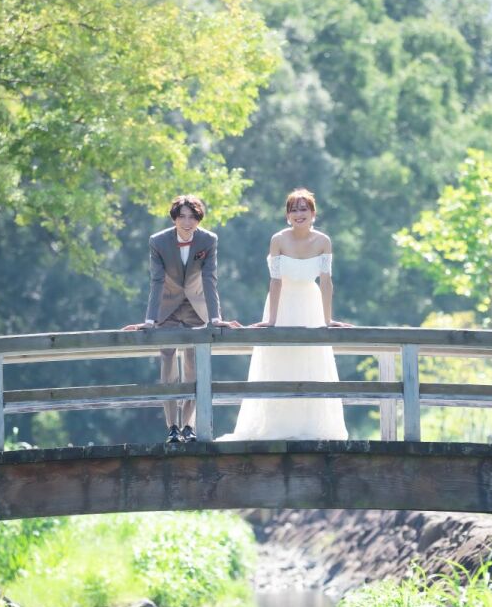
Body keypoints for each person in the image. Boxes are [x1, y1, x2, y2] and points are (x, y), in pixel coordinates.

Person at [219, 188, 349, 441]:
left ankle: (311, 426)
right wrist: (271, 320)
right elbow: (275, 282)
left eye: (304, 209)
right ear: (287, 215)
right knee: (279, 359)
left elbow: (326, 282)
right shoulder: (278, 239)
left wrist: (327, 319)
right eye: (293, 209)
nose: (299, 214)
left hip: (310, 303)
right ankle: (276, 426)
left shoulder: (323, 241)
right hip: (282, 302)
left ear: (313, 213)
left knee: (310, 360)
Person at [124, 195, 239, 444]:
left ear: (199, 219)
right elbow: (156, 281)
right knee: (167, 361)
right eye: (182, 216)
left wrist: (215, 317)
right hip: (167, 307)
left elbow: (210, 278)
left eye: (192, 217)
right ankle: (172, 427)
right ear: (174, 218)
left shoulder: (208, 240)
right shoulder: (158, 242)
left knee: (192, 366)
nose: (187, 222)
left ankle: (188, 424)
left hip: (195, 307)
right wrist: (150, 320)